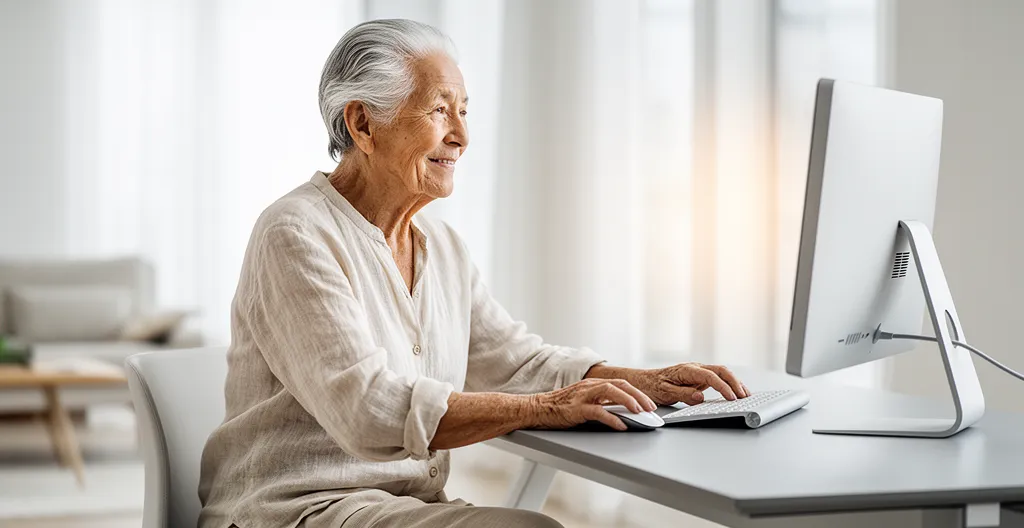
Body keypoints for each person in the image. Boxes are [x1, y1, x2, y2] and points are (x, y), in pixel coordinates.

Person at [197, 19, 749, 528]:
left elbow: (517, 363)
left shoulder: (442, 247)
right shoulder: (294, 233)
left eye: (465, 111)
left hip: (405, 505)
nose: (461, 136)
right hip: (296, 510)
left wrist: (644, 381)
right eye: (440, 111)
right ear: (363, 123)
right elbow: (368, 409)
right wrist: (546, 409)